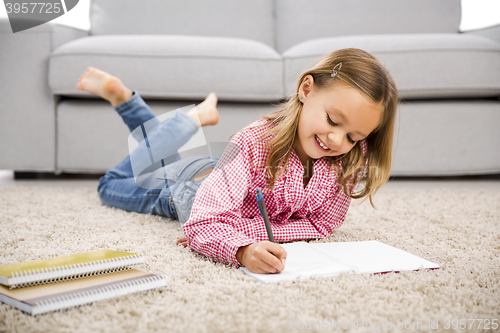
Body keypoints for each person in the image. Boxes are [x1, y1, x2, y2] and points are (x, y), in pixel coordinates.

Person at [77, 47, 398, 276]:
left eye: (354, 136)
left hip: (222, 173)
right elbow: (202, 224)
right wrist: (242, 248)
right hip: (188, 188)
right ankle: (182, 118)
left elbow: (323, 224)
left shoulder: (350, 158)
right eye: (332, 120)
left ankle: (174, 117)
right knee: (110, 185)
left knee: (164, 158)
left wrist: (244, 229)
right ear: (306, 89)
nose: (338, 141)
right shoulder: (250, 143)